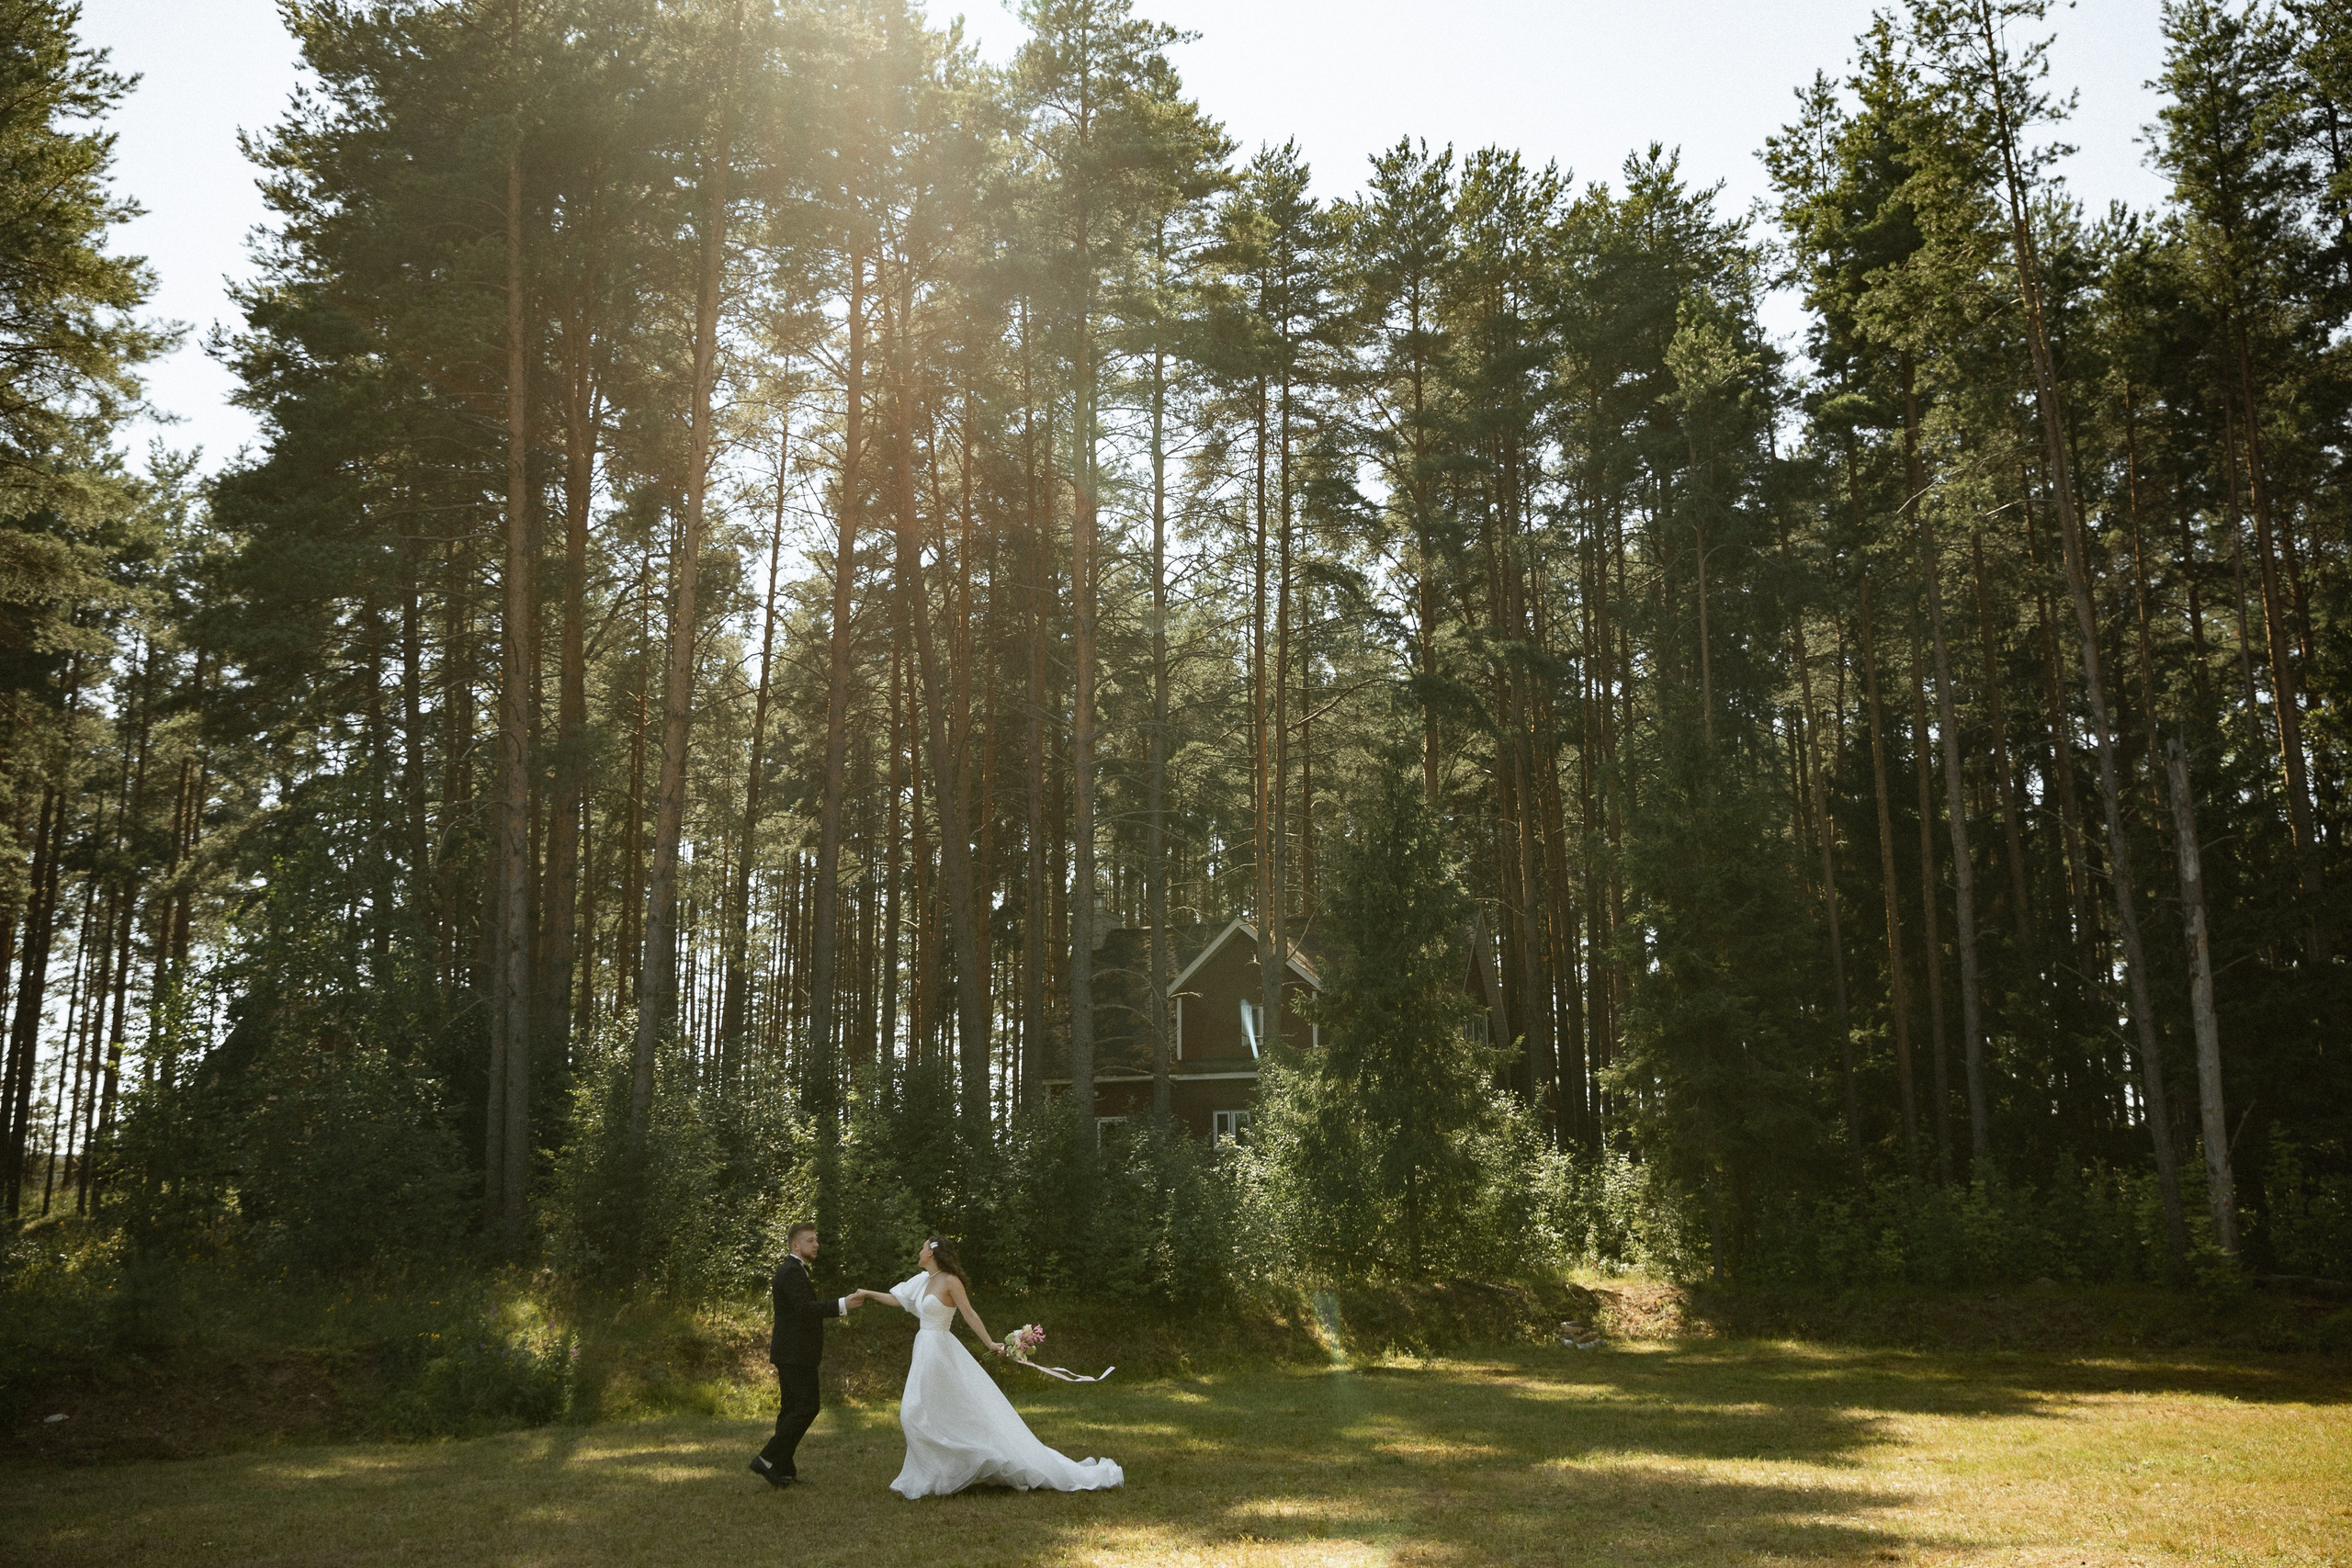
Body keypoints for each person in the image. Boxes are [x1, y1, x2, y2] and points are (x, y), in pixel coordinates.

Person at [847, 1236, 1123, 1500]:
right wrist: (868, 1294)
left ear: (931, 1253)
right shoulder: (923, 1281)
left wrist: (990, 1342)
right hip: (925, 1350)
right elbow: (899, 1299)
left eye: (921, 1249)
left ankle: (964, 1462)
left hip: (941, 1349)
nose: (918, 1254)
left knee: (921, 1412)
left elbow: (969, 1313)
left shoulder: (950, 1281)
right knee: (916, 1411)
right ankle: (935, 1474)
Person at [751, 1222, 861, 1488]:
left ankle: (782, 1469)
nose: (816, 1244)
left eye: (816, 1239)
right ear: (795, 1246)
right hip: (795, 1352)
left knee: (790, 1410)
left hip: (793, 1351)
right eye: (811, 1240)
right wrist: (842, 1305)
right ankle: (766, 1458)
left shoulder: (794, 1270)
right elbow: (805, 1309)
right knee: (806, 1407)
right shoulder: (790, 1271)